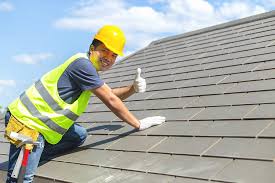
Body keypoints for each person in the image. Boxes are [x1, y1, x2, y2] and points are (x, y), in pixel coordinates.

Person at [4, 25, 165, 183]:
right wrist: (138, 124)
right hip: (27, 123)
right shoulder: (83, 65)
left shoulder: (89, 70)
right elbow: (110, 100)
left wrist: (133, 88)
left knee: (79, 135)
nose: (108, 58)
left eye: (113, 55)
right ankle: (25, 163)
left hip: (41, 123)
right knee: (21, 178)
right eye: (104, 50)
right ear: (92, 48)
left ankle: (35, 155)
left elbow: (112, 94)